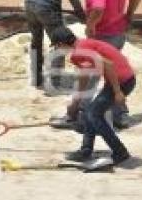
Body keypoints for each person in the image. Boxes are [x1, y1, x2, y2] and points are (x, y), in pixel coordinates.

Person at [49, 26, 135, 165]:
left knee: (93, 114)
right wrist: (75, 103)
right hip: (123, 79)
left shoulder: (79, 51)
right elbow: (84, 77)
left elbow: (108, 64)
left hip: (122, 81)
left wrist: (118, 91)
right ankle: (86, 150)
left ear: (61, 44)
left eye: (56, 47)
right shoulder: (82, 46)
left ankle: (120, 151)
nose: (57, 50)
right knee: (90, 112)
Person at [83, 0, 142, 127]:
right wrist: (129, 14)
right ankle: (119, 114)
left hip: (103, 36)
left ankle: (83, 113)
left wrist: (90, 25)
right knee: (113, 74)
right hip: (118, 33)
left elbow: (99, 8)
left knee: (93, 75)